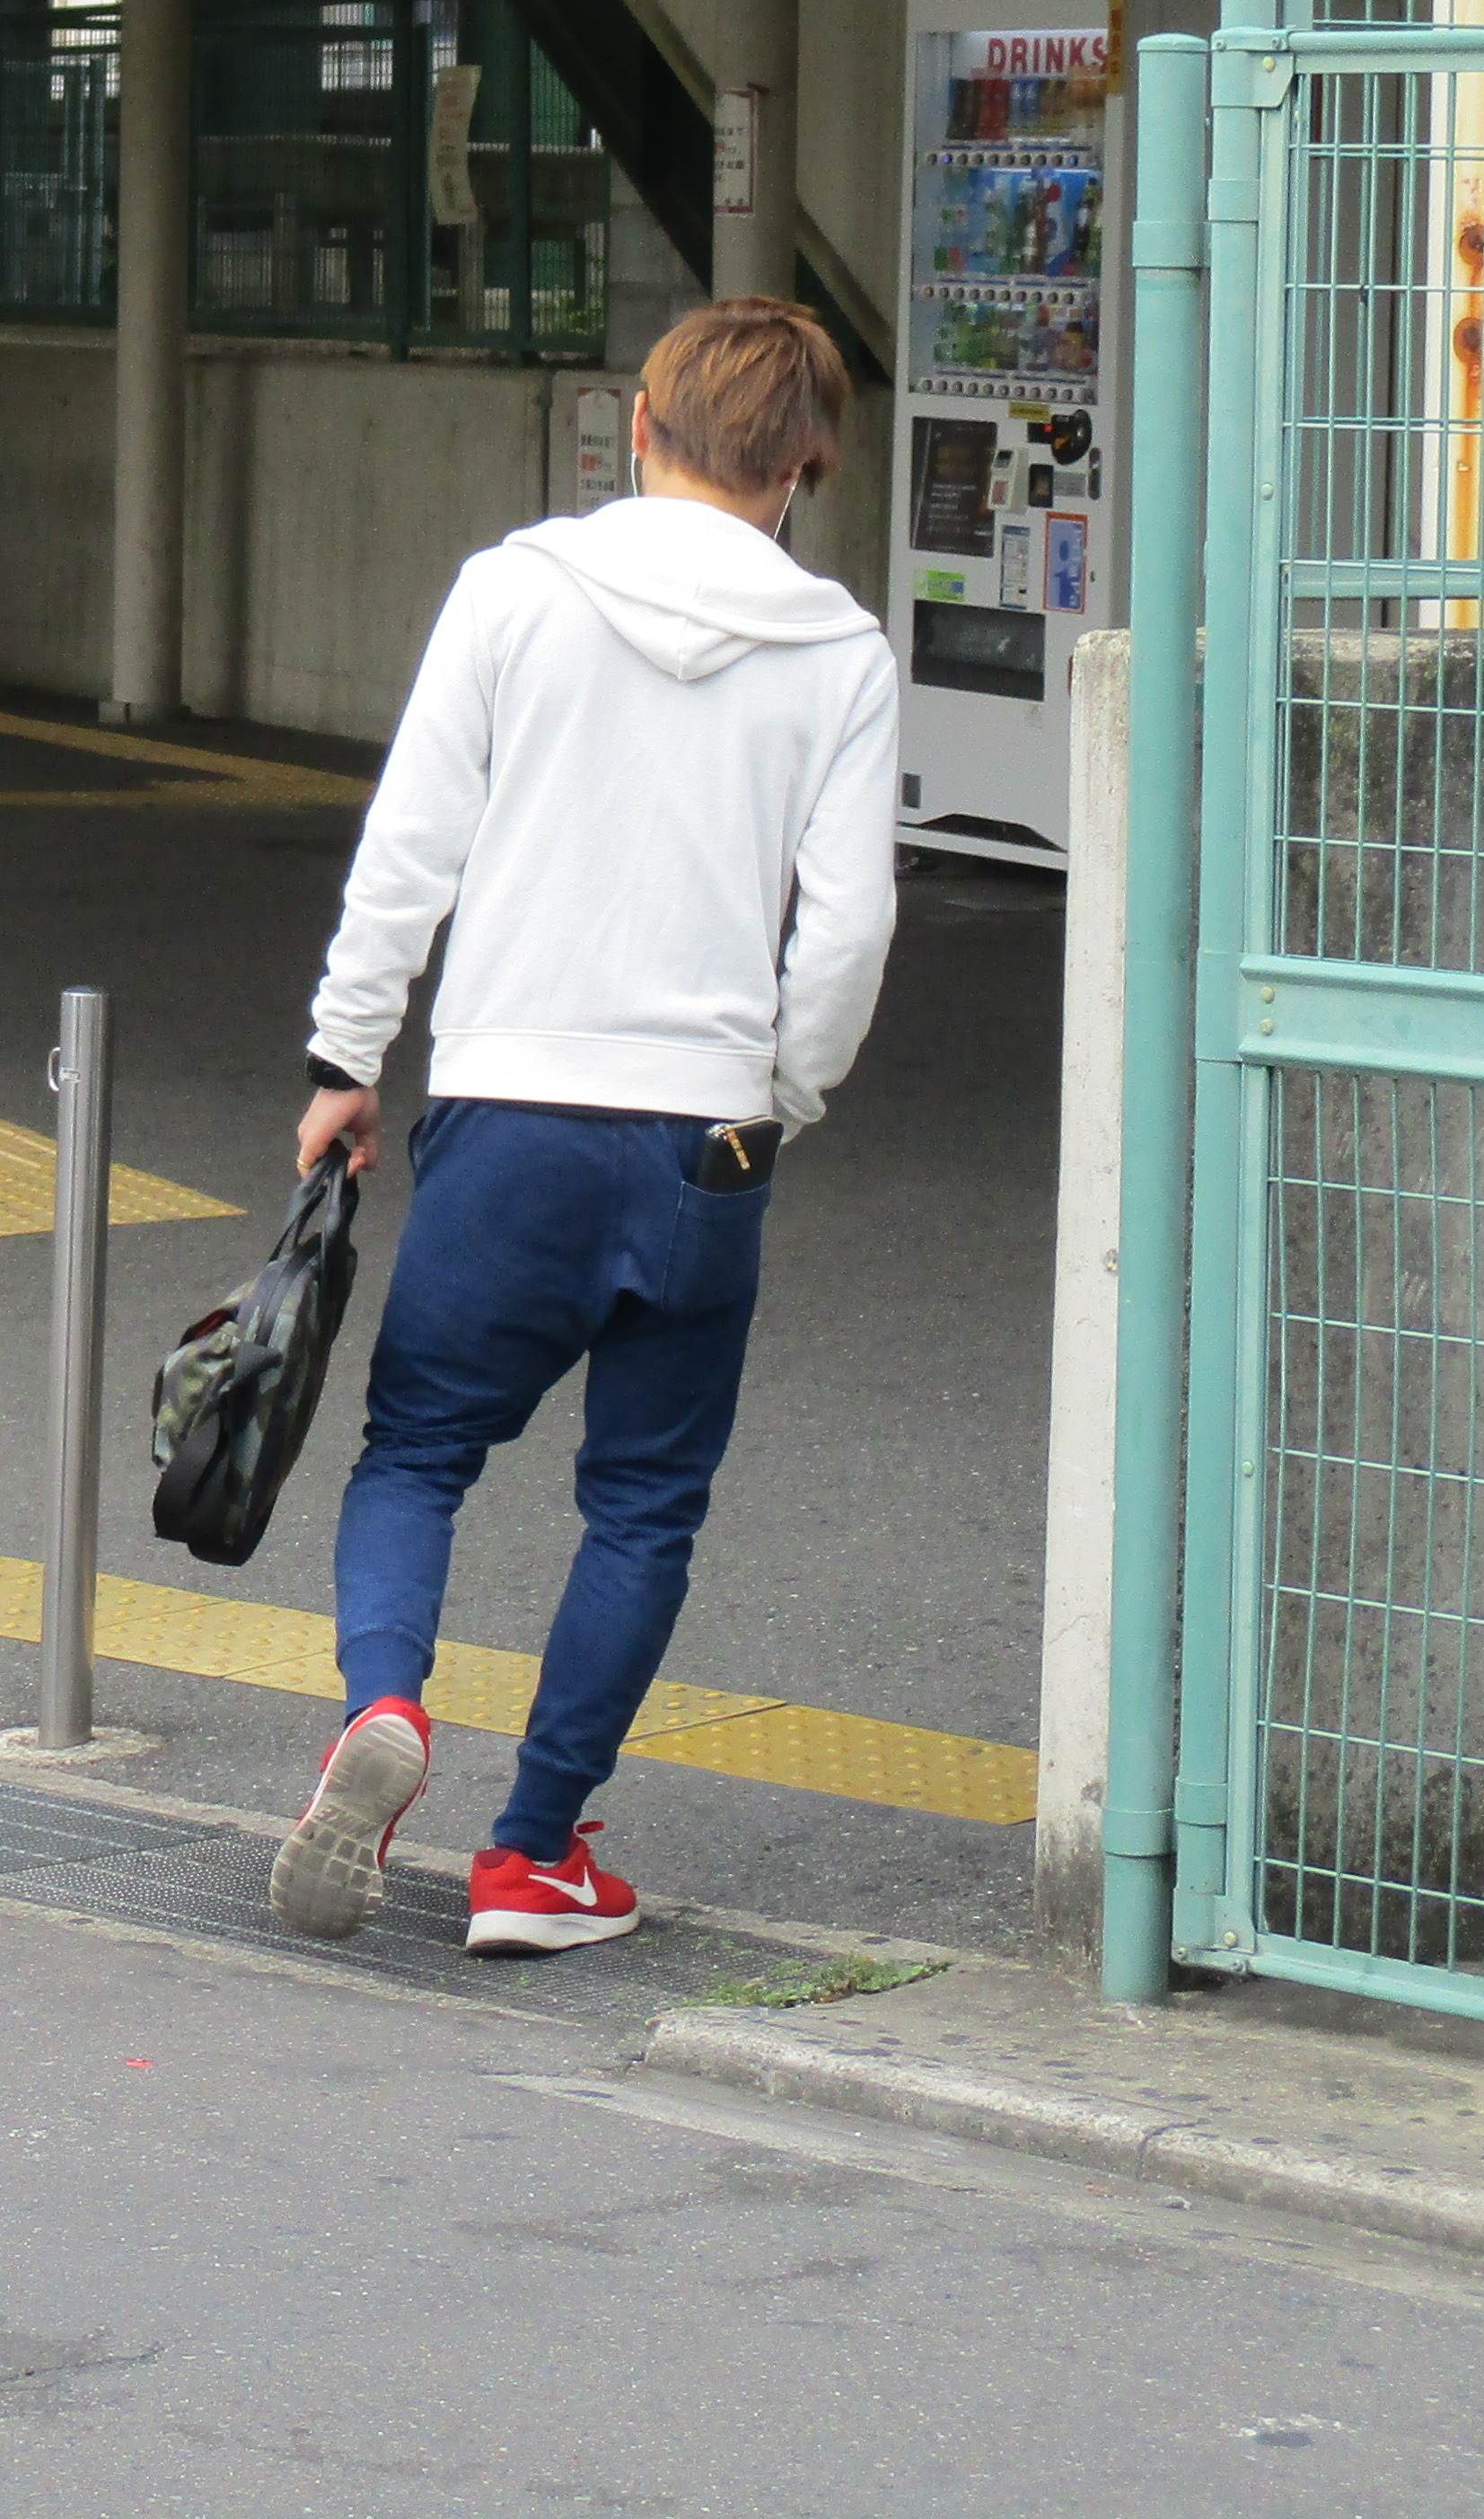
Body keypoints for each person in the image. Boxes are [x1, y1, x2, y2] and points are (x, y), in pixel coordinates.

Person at [266, 297, 898, 1955]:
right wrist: (786, 1094)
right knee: (642, 1505)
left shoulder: (516, 589)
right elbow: (844, 931)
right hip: (704, 1135)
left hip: (509, 1103)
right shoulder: (838, 652)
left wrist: (349, 1054)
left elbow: (413, 844)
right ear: (808, 466)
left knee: (418, 1450)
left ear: (639, 426)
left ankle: (378, 1714)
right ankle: (533, 1855)